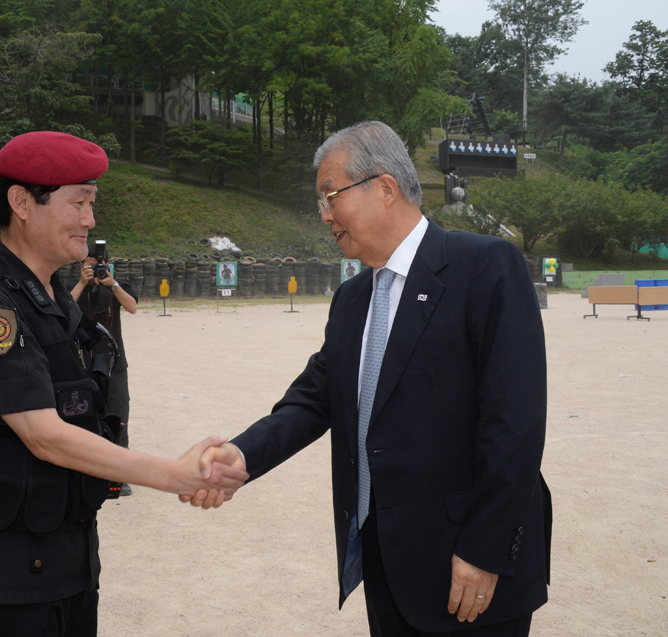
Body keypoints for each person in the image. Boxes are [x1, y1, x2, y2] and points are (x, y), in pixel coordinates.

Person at [188, 121, 551, 636]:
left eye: (330, 196)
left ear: (384, 187)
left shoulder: (486, 267)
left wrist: (483, 550)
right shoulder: (354, 299)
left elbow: (515, 425)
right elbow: (313, 401)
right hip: (385, 560)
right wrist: (241, 455)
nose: (325, 215)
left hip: (466, 566)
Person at [0, 131, 247, 637]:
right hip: (7, 579)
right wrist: (173, 475)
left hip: (64, 563)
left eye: (93, 203)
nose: (91, 220)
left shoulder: (51, 298)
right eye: (80, 203)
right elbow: (42, 433)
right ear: (22, 202)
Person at [69, 243, 138, 495]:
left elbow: (132, 306)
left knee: (118, 412)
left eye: (97, 265)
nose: (93, 269)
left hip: (114, 362)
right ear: (80, 265)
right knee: (84, 413)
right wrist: (81, 283)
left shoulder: (115, 286)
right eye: (88, 264)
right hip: (83, 362)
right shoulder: (74, 289)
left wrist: (112, 283)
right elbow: (61, 310)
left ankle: (119, 473)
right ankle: (86, 471)